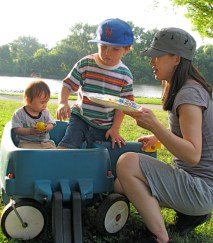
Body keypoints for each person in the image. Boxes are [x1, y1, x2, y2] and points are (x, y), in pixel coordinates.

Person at [114, 27, 213, 243]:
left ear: (176, 58)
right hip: (196, 186)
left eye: (157, 56)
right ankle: (191, 214)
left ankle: (160, 237)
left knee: (127, 163)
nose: (152, 62)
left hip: (201, 189)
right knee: (120, 185)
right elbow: (190, 132)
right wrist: (158, 138)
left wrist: (156, 127)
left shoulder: (189, 94)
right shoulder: (182, 87)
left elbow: (194, 155)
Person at [56, 18, 134, 149]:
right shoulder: (86, 63)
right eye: (103, 47)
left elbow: (123, 105)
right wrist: (63, 102)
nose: (107, 53)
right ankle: (56, 163)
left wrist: (115, 128)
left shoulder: (125, 75)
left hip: (105, 125)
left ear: (125, 49)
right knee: (68, 145)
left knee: (98, 152)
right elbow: (67, 84)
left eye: (115, 49)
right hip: (81, 117)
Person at [12, 80, 56, 149]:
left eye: (46, 102)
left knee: (54, 152)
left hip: (44, 142)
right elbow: (16, 129)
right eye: (42, 102)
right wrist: (30, 131)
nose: (45, 105)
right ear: (29, 100)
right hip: (26, 142)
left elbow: (52, 124)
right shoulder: (19, 113)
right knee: (25, 153)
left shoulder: (45, 112)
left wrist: (46, 127)